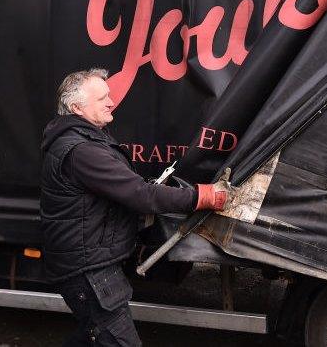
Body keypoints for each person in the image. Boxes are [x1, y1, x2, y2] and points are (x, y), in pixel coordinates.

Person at [41, 67, 231, 346]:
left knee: (93, 334)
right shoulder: (82, 150)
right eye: (102, 98)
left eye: (109, 95)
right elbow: (139, 194)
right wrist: (200, 197)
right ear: (77, 107)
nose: (111, 101)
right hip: (88, 269)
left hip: (88, 261)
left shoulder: (86, 138)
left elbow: (126, 188)